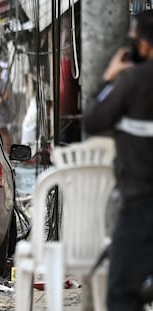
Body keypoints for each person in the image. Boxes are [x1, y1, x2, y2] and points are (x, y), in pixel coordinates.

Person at [83, 11, 153, 311]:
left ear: (145, 46)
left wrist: (107, 78)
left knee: (122, 293)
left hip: (140, 208)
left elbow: (95, 120)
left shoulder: (134, 81)